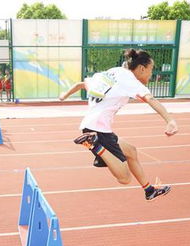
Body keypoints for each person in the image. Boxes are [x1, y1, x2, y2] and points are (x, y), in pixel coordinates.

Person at [59, 49, 178, 201]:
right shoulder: (131, 81)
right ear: (142, 68)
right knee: (124, 178)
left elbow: (83, 84)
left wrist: (64, 95)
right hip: (98, 131)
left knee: (131, 151)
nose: (151, 74)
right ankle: (94, 145)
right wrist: (170, 120)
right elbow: (151, 99)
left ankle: (149, 190)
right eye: (151, 69)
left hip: (93, 126)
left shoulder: (113, 72)